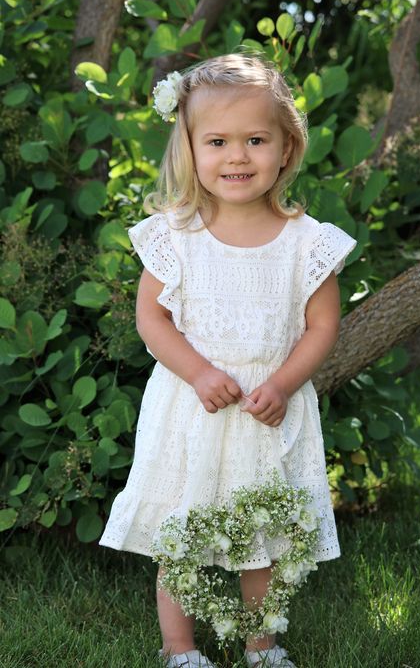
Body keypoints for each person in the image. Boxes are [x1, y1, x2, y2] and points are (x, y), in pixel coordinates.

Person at [99, 53, 357, 668]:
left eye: (255, 140)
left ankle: (262, 645)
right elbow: (152, 320)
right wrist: (199, 372)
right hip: (193, 409)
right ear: (189, 149)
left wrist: (286, 382)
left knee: (263, 539)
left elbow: (323, 325)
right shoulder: (174, 234)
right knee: (180, 536)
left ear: (286, 148)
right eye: (217, 141)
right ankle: (179, 648)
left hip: (268, 411)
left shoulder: (307, 242)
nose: (237, 156)